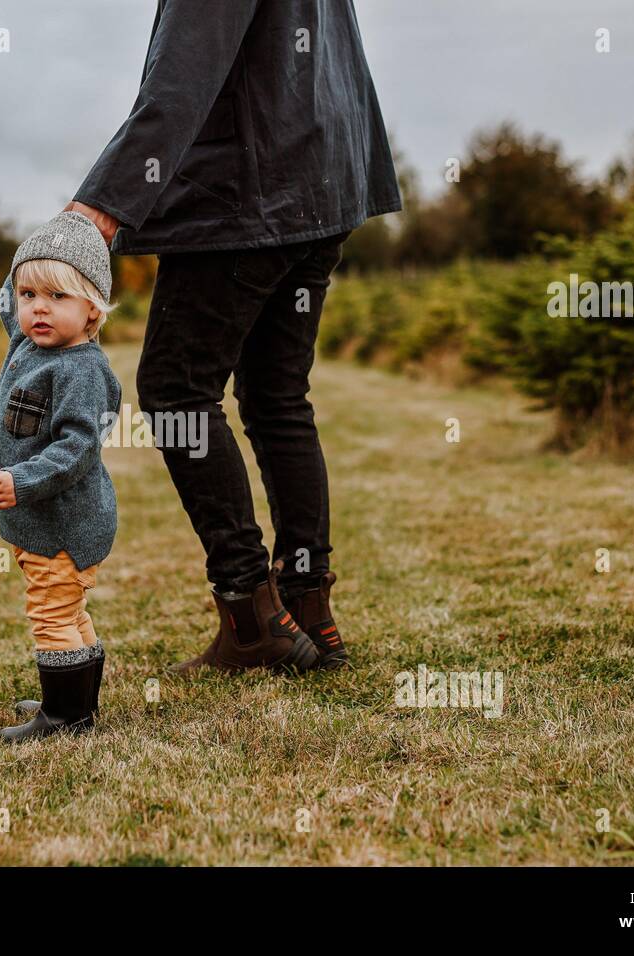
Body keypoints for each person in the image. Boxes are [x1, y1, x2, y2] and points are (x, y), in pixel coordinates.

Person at [62, 0, 401, 673]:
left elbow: (181, 83)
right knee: (277, 397)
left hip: (248, 193)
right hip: (324, 178)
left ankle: (251, 615)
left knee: (174, 389)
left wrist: (94, 211)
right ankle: (307, 612)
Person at [0, 211, 122, 742]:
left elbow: (77, 448)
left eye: (57, 297)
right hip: (44, 523)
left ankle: (63, 718)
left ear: (93, 309)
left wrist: (22, 481)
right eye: (28, 295)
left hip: (65, 523)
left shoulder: (82, 369)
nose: (38, 308)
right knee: (70, 611)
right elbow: (8, 290)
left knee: (52, 612)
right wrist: (60, 227)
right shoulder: (27, 342)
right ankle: (75, 702)